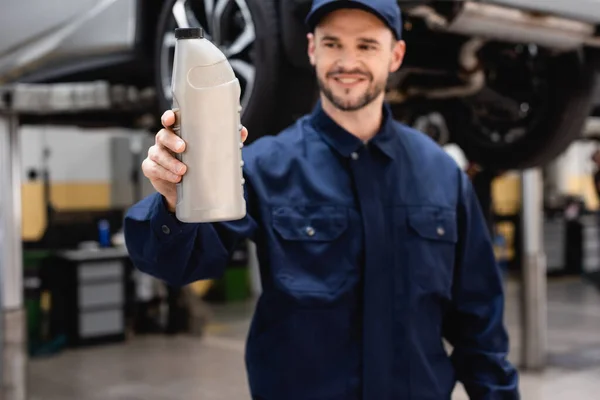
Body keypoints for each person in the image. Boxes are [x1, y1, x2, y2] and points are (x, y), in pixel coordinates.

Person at [123, 0, 519, 398]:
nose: (348, 62)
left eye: (366, 46)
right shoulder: (265, 166)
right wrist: (174, 201)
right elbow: (180, 263)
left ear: (395, 54)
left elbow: (479, 322)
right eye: (333, 44)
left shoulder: (442, 175)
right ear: (312, 49)